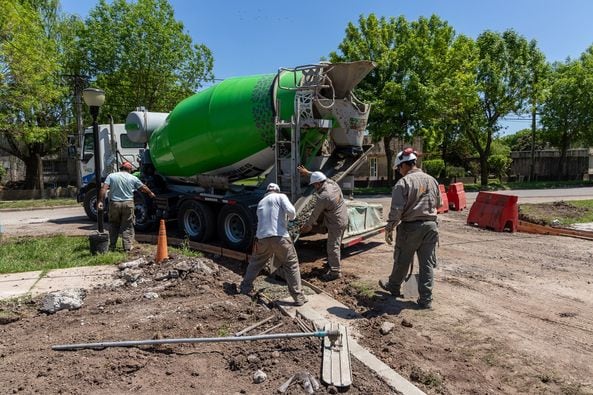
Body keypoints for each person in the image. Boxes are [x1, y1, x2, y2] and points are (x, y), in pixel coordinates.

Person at [379, 148, 441, 309]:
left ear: (405, 165)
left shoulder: (404, 182)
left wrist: (389, 228)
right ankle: (426, 300)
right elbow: (439, 204)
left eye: (399, 168)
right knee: (427, 263)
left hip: (411, 227)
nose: (399, 172)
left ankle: (393, 287)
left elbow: (396, 210)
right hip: (431, 226)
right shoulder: (432, 180)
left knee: (402, 259)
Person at [239, 183, 307, 306]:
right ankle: (298, 297)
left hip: (262, 239)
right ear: (277, 190)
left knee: (255, 263)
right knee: (291, 265)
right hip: (280, 237)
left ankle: (245, 288)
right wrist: (291, 218)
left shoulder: (261, 202)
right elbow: (291, 212)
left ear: (267, 191)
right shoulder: (281, 197)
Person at [297, 165, 348, 281]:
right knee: (337, 243)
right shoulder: (333, 184)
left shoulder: (323, 196)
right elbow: (321, 177)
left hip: (336, 223)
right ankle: (333, 263)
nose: (314, 187)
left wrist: (307, 226)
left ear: (318, 184)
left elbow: (314, 214)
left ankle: (335, 272)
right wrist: (308, 173)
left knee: (332, 246)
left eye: (314, 185)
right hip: (344, 218)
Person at [97, 162, 155, 252]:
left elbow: (103, 189)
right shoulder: (133, 178)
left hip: (115, 204)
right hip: (128, 204)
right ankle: (127, 248)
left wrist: (100, 202)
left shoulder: (111, 176)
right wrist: (150, 193)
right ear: (130, 170)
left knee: (113, 225)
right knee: (127, 226)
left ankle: (112, 246)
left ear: (121, 168)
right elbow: (143, 187)